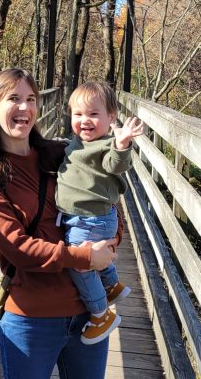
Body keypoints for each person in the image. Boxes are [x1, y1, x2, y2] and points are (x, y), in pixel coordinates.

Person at [0, 68, 120, 379]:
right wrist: (87, 257)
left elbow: (106, 204)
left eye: (31, 99)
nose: (25, 108)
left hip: (88, 316)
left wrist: (112, 241)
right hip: (32, 319)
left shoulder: (60, 154)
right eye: (14, 99)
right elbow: (18, 248)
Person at [56, 81, 145, 344]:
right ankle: (111, 284)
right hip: (83, 217)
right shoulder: (78, 142)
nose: (85, 121)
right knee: (86, 257)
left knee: (80, 264)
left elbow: (116, 165)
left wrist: (122, 143)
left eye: (94, 114)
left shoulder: (106, 144)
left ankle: (100, 314)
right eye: (78, 114)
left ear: (111, 118)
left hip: (92, 219)